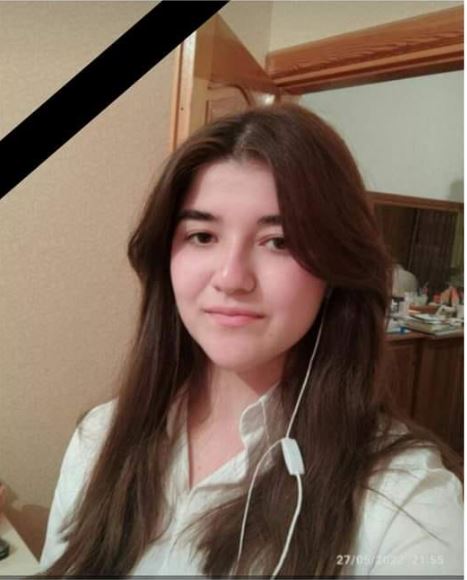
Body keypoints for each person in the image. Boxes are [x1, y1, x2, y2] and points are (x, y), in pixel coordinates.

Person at [38, 103, 463, 578]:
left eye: (279, 241)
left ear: (335, 271)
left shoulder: (407, 503)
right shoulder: (99, 439)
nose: (231, 277)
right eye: (202, 236)